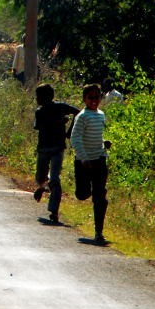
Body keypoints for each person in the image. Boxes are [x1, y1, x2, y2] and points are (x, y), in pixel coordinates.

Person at [32, 83, 80, 226]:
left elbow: (78, 113)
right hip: (43, 149)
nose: (37, 99)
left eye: (39, 96)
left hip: (57, 148)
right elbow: (38, 126)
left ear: (48, 97)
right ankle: (42, 187)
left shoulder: (60, 107)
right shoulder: (39, 112)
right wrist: (59, 121)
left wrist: (70, 130)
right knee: (40, 177)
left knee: (55, 178)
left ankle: (54, 211)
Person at [70, 83, 110, 245]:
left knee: (100, 197)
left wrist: (104, 143)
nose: (94, 100)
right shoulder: (82, 116)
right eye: (90, 97)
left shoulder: (101, 115)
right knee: (82, 194)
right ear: (85, 99)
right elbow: (75, 138)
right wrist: (84, 158)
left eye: (97, 97)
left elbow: (96, 136)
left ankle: (98, 232)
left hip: (99, 160)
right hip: (84, 162)